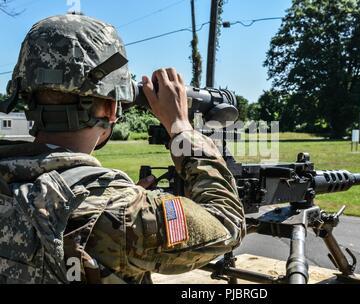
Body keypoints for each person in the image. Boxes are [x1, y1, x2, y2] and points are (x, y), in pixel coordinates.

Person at [0, 13, 245, 284]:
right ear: (110, 107)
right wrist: (181, 129)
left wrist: (125, 198)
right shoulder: (124, 212)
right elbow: (226, 223)